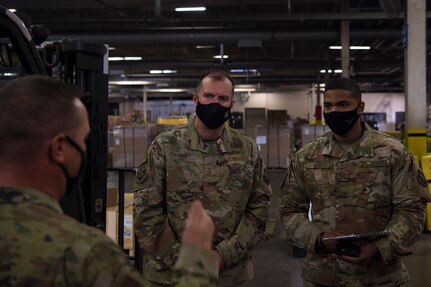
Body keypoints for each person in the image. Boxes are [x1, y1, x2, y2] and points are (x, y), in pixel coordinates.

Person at [0, 75, 218, 287]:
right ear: (59, 148)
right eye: (82, 140)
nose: (85, 150)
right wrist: (196, 258)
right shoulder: (84, 254)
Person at [280, 77, 431, 287]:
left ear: (360, 108)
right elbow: (289, 210)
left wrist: (379, 247)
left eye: (343, 104)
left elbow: (412, 211)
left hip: (380, 278)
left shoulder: (392, 153)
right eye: (328, 105)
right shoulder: (307, 157)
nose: (334, 111)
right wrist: (319, 238)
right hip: (323, 277)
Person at [133, 70, 272, 287]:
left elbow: (259, 210)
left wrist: (222, 255)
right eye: (209, 96)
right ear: (195, 99)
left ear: (231, 104)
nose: (215, 103)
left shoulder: (247, 149)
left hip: (227, 274)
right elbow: (146, 211)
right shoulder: (165, 146)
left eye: (223, 98)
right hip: (169, 276)